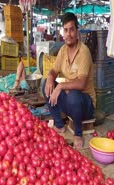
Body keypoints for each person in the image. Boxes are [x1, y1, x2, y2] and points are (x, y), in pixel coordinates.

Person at [43, 12, 96, 148]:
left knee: (73, 95)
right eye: (66, 30)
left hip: (85, 104)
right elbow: (54, 70)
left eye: (72, 30)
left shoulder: (84, 52)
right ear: (63, 32)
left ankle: (78, 133)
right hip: (70, 101)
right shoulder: (63, 50)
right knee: (45, 85)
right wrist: (50, 78)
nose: (69, 34)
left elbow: (81, 83)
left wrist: (60, 87)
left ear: (77, 31)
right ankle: (59, 125)